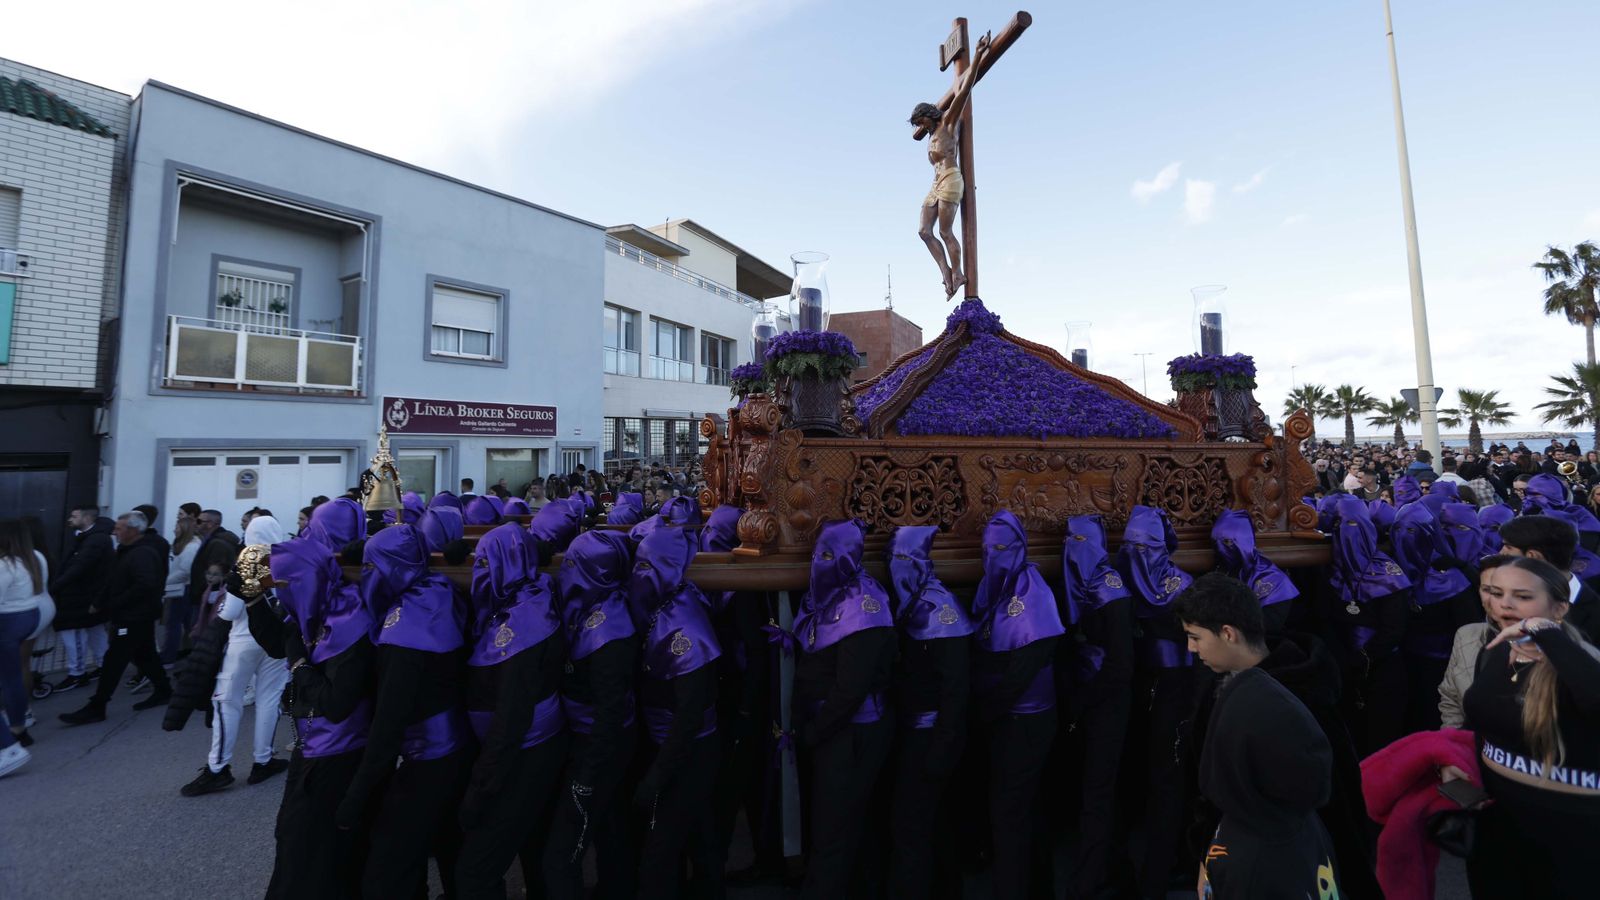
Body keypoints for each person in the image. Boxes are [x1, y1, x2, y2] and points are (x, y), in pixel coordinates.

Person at [1176, 573, 1342, 899]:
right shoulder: (1224, 685)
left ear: (1228, 633)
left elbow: (1326, 797)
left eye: (1195, 637)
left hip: (1275, 862)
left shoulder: (1292, 699)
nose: (1190, 648)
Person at [338, 523, 472, 898]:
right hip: (455, 744)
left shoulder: (405, 631)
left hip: (428, 753)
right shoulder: (438, 590)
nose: (368, 575)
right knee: (448, 844)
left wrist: (358, 794)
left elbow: (389, 720)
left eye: (373, 567)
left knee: (390, 864)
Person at [1459, 556, 1600, 898]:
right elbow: (1479, 726)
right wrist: (1460, 767)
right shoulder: (1494, 653)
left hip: (1571, 837)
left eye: (1522, 596)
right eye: (1495, 592)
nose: (1504, 603)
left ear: (1559, 608)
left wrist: (1544, 632)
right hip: (1497, 826)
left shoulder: (1583, 662)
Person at [455, 523, 567, 900]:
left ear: (509, 562)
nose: (479, 569)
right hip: (523, 751)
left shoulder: (526, 620)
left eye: (486, 561)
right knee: (532, 848)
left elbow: (511, 717)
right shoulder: (524, 597)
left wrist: (482, 787)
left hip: (524, 754)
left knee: (476, 870)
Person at [267, 533, 376, 900]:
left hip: (339, 751)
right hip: (314, 745)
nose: (283, 594)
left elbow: (336, 701)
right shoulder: (315, 607)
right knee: (293, 838)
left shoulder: (350, 618)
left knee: (314, 848)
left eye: (287, 585)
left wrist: (298, 663)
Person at [790, 520, 895, 900]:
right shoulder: (826, 594)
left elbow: (851, 687)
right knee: (835, 824)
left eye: (831, 556)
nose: (821, 562)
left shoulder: (864, 605)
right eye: (819, 554)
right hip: (831, 729)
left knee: (836, 827)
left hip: (850, 732)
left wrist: (817, 731)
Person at [629, 527, 724, 899]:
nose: (638, 574)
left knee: (663, 848)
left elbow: (689, 714)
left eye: (645, 567)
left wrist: (658, 773)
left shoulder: (687, 630)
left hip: (689, 749)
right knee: (699, 836)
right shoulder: (666, 601)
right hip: (671, 744)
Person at [544, 530, 639, 900]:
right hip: (594, 739)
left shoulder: (610, 631)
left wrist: (587, 771)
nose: (566, 570)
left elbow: (610, 712)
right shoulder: (595, 606)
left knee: (563, 852)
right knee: (610, 830)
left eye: (574, 564)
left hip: (601, 746)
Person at [884, 524, 973, 900]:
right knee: (930, 824)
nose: (897, 567)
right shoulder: (911, 602)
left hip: (932, 736)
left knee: (913, 825)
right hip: (914, 733)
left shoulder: (942, 612)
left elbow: (956, 690)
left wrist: (941, 746)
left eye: (905, 560)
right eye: (894, 560)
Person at [179, 516, 292, 796]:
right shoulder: (288, 560)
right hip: (277, 641)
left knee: (227, 702)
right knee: (268, 700)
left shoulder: (248, 561)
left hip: (243, 640)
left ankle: (218, 768)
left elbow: (229, 612)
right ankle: (263, 760)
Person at [59, 511, 174, 724]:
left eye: (119, 529)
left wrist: (115, 603)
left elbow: (145, 585)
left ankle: (97, 706)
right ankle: (164, 690)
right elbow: (114, 579)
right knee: (144, 655)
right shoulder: (125, 550)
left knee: (114, 660)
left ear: (132, 530)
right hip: (131, 614)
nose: (115, 532)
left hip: (134, 617)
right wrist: (100, 602)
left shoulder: (142, 554)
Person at [909, 30, 992, 299]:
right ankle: (945, 270)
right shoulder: (930, 136)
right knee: (924, 231)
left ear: (928, 115)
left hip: (951, 179)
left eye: (920, 121)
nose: (920, 127)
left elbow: (964, 88)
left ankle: (957, 272)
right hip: (935, 184)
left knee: (945, 231)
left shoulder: (947, 122)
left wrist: (977, 54)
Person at [1497, 515, 1600, 644]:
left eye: (1508, 547)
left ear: (1533, 557)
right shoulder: (1503, 601)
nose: (1501, 553)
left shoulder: (1594, 615)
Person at [0, 519, 47, 773]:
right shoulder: (33, 559)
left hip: (6, 623)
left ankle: (9, 745)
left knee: (10, 678)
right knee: (13, 677)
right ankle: (18, 727)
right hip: (29, 617)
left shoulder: (4, 565)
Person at [50, 505, 114, 691]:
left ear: (86, 518)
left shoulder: (93, 540)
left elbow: (79, 567)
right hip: (88, 596)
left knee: (75, 634)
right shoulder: (91, 537)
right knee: (95, 632)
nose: (70, 519)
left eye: (74, 515)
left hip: (80, 596)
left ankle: (77, 674)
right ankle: (105, 666)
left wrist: (55, 587)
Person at [162, 510, 202, 665]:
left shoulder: (191, 547)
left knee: (174, 624)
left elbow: (185, 571)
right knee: (185, 624)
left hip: (182, 589)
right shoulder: (182, 545)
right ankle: (193, 655)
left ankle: (168, 657)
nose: (174, 529)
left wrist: (165, 582)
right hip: (179, 587)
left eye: (177, 527)